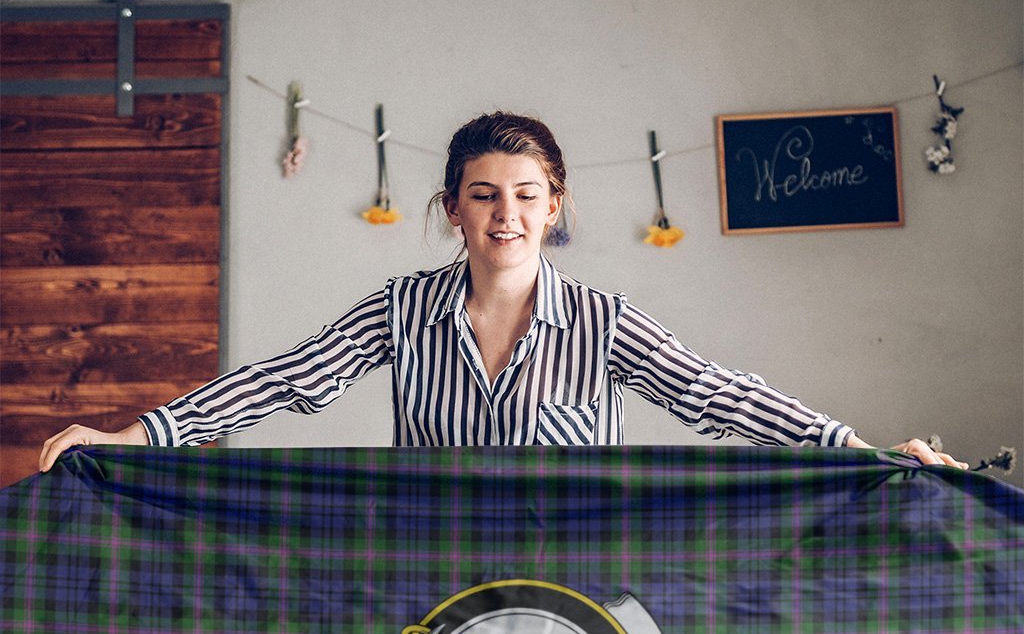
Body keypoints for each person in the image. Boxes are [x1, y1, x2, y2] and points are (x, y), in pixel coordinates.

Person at [38, 112, 968, 472]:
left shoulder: (604, 323)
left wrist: (859, 448)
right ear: (453, 209)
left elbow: (718, 394)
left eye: (527, 197)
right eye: (484, 196)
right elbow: (284, 381)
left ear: (555, 207)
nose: (506, 215)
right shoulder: (401, 308)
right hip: (432, 588)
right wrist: (134, 437)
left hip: (577, 592)